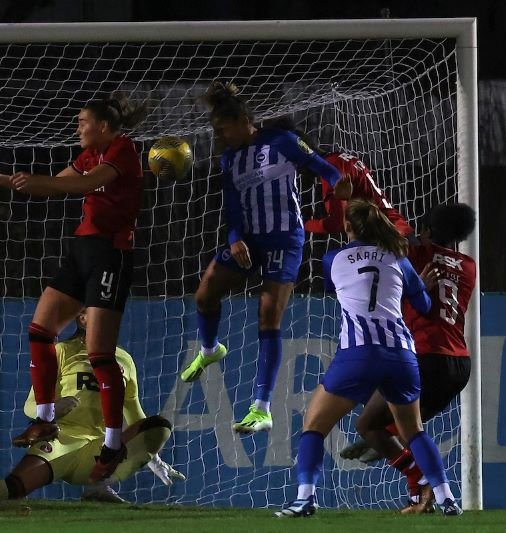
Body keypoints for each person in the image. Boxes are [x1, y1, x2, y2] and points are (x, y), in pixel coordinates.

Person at [0, 93, 147, 481]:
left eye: (82, 121)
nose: (78, 127)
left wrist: (38, 181)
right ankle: (46, 419)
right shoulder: (89, 155)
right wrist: (3, 181)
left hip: (110, 256)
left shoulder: (123, 150)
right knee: (40, 331)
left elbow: (83, 185)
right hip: (81, 251)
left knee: (100, 355)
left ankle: (113, 443)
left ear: (101, 125)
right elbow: (58, 185)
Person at [275, 199, 462, 518]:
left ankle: (305, 498)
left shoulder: (333, 258)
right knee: (413, 431)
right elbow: (426, 306)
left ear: (348, 227)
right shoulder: (399, 259)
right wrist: (418, 287)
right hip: (401, 354)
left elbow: (347, 288)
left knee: (314, 426)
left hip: (359, 352)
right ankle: (447, 499)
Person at [179, 81, 342, 434]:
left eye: (222, 129)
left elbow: (325, 168)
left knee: (268, 318)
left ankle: (261, 408)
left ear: (241, 120)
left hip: (284, 241)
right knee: (205, 294)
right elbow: (233, 207)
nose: (220, 136)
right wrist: (235, 238)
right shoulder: (230, 159)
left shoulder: (281, 142)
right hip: (248, 242)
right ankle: (210, 349)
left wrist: (337, 187)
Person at [0, 309, 184, 503]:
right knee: (8, 490)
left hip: (99, 453)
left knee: (159, 426)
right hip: (61, 441)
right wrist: (54, 407)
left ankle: (99, 487)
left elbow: (136, 417)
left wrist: (153, 457)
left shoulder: (124, 359)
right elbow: (31, 407)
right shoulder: (61, 352)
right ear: (83, 319)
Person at [339, 202, 477, 513]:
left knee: (370, 424)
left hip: (426, 357)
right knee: (406, 427)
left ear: (428, 231)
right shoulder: (469, 265)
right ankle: (419, 491)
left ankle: (422, 483)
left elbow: (391, 248)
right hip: (459, 365)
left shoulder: (415, 256)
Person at [304, 151, 414, 238]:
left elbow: (338, 222)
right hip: (398, 226)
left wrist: (305, 224)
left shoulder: (330, 169)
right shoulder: (342, 157)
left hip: (385, 236)